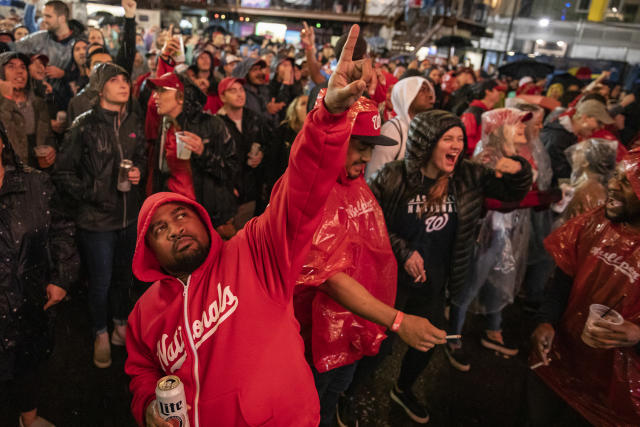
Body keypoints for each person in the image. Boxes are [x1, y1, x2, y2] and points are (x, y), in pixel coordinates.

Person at [124, 24, 378, 427]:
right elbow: (141, 371)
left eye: (181, 214)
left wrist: (327, 118)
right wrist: (148, 407)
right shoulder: (143, 314)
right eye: (159, 229)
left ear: (204, 221)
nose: (173, 228)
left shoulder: (256, 254)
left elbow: (300, 190)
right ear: (149, 252)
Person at [368, 109, 532, 423]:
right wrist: (403, 250)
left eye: (460, 138)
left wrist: (517, 167)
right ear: (427, 141)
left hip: (435, 280)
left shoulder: (468, 175)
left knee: (430, 341)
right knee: (379, 346)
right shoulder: (392, 175)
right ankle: (349, 393)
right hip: (390, 280)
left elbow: (514, 192)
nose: (456, 144)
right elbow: (369, 222)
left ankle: (402, 389)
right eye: (448, 138)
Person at [294, 97, 446, 426]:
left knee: (336, 392)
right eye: (359, 146)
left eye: (370, 147)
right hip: (316, 335)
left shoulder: (356, 184)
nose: (367, 156)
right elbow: (329, 277)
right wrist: (398, 321)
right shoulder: (311, 193)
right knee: (310, 406)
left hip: (354, 324)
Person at [528, 148, 640, 426]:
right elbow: (562, 282)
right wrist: (546, 321)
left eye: (626, 183)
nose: (612, 185)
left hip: (614, 395)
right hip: (559, 363)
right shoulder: (595, 222)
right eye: (616, 176)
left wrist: (638, 336)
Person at [53, 62, 147, 369]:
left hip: (128, 216)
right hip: (96, 222)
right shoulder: (84, 125)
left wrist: (137, 173)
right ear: (99, 86)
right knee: (101, 281)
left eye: (125, 79)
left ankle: (121, 323)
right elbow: (63, 173)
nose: (123, 84)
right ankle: (101, 332)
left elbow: (141, 158)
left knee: (124, 276)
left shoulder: (133, 119)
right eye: (115, 80)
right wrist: (93, 193)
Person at [0, 123, 78, 427]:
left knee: (28, 363)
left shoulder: (36, 183)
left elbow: (62, 230)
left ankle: (28, 418)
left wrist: (61, 278)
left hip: (28, 301)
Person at [447, 108, 535, 367]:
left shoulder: (515, 156)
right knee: (469, 287)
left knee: (498, 281)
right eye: (515, 123)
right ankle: (452, 338)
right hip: (484, 233)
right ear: (498, 129)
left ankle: (493, 330)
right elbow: (499, 200)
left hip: (503, 231)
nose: (522, 128)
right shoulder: (488, 156)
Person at [148, 71, 238, 239]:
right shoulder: (165, 126)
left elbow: (231, 170)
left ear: (181, 98)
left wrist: (203, 153)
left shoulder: (212, 124)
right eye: (155, 91)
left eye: (162, 91)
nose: (155, 97)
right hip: (177, 213)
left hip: (208, 215)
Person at [217, 76, 273, 227]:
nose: (240, 94)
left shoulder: (255, 118)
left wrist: (262, 153)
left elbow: (269, 143)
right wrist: (227, 187)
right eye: (233, 91)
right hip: (232, 192)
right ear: (223, 97)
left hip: (256, 188)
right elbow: (216, 161)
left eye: (241, 90)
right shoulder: (217, 124)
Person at [365, 76, 434, 180]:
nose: (430, 96)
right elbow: (374, 176)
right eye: (423, 90)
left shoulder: (426, 129)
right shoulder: (392, 131)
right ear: (408, 95)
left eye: (429, 90)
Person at [0, 52, 55, 168]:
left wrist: (52, 150)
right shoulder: (2, 105)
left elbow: (49, 137)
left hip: (38, 175)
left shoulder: (39, 103)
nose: (19, 71)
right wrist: (6, 100)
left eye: (23, 67)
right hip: (9, 177)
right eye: (11, 66)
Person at [541, 99, 615, 184]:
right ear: (584, 117)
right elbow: (558, 174)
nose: (601, 127)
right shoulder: (557, 136)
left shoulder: (567, 134)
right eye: (599, 122)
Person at [269, 94, 308, 190]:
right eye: (303, 104)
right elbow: (273, 161)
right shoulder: (283, 130)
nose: (307, 106)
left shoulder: (320, 131)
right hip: (285, 187)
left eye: (309, 102)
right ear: (294, 110)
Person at [460, 79, 503, 157]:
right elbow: (467, 141)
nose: (500, 93)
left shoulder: (489, 112)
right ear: (488, 91)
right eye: (497, 90)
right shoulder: (471, 113)